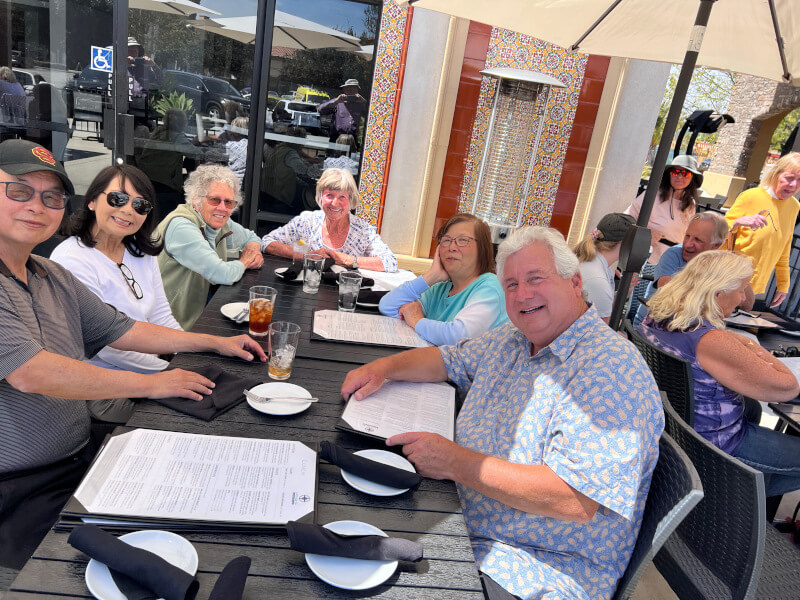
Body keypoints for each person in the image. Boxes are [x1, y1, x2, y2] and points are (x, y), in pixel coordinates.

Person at [342, 226, 663, 600]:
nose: (522, 294)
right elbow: (448, 359)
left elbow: (574, 499)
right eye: (510, 285)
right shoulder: (514, 338)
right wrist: (382, 368)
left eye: (535, 279)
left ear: (574, 282)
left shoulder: (609, 367)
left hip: (531, 568)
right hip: (463, 517)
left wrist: (454, 463)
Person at [0, 139, 266, 568]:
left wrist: (214, 342)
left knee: (197, 506)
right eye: (18, 190)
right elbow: (31, 373)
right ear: (92, 204)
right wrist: (154, 383)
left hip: (78, 456)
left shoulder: (47, 272)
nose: (37, 205)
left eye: (51, 196)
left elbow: (122, 329)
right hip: (18, 488)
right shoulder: (67, 262)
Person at [639, 250, 800, 497]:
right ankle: (735, 499)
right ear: (717, 294)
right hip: (714, 443)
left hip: (677, 431)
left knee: (752, 408)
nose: (743, 297)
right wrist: (752, 346)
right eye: (741, 289)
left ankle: (739, 492)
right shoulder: (709, 339)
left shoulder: (661, 314)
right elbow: (788, 387)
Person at [50, 164, 180, 423]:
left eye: (140, 205)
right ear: (91, 201)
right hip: (102, 389)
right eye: (118, 198)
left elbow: (162, 317)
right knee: (182, 419)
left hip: (148, 372)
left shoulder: (140, 252)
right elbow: (105, 348)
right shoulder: (72, 259)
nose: (128, 210)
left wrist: (188, 357)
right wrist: (169, 371)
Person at [156, 164, 263, 330]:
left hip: (202, 310)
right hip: (172, 325)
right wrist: (245, 260)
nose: (222, 208)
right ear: (196, 200)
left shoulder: (220, 222)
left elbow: (252, 238)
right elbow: (222, 274)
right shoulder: (181, 226)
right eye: (214, 200)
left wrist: (253, 250)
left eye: (228, 202)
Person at [379, 213, 507, 345]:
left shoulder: (491, 287)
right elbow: (388, 306)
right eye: (446, 240)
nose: (452, 247)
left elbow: (459, 336)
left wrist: (417, 321)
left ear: (482, 249)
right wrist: (431, 276)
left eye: (462, 240)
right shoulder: (440, 289)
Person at [261, 167, 397, 272]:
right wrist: (307, 255)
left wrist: (348, 260)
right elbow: (267, 243)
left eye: (342, 197)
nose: (334, 203)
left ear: (351, 200)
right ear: (320, 196)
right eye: (329, 195)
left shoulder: (362, 230)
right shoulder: (307, 222)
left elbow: (390, 262)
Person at [635, 211, 754, 324]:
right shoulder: (674, 254)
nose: (687, 244)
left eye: (697, 240)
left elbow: (747, 305)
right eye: (687, 236)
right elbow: (669, 292)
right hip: (654, 324)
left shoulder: (718, 263)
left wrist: (737, 270)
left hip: (689, 325)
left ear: (716, 245)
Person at [725, 152, 800, 307]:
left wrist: (783, 284)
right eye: (789, 178)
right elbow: (717, 232)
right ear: (776, 174)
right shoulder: (750, 196)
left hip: (756, 288)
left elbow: (784, 247)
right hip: (729, 281)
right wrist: (738, 222)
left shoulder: (794, 206)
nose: (794, 185)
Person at [624, 154, 702, 264]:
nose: (679, 177)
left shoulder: (690, 204)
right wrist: (647, 233)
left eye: (685, 173)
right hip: (646, 259)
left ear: (692, 177)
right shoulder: (652, 196)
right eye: (675, 172)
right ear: (669, 174)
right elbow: (626, 220)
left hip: (673, 261)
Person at [573, 212, 635, 323]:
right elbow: (602, 332)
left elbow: (603, 304)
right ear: (623, 243)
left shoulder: (598, 264)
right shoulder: (597, 279)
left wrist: (624, 290)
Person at [317, 78, 367, 144]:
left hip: (353, 140)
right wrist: (336, 102)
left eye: (354, 89)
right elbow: (320, 110)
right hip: (336, 138)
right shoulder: (337, 102)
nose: (351, 92)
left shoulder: (360, 104)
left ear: (357, 91)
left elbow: (372, 115)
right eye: (348, 89)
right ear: (344, 90)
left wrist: (363, 101)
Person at [225, 116, 248, 185]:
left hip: (231, 181)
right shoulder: (249, 143)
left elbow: (211, 155)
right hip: (244, 181)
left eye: (232, 126)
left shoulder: (232, 145)